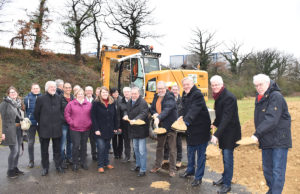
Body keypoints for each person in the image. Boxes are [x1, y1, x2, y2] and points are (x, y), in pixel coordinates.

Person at [251, 74, 292, 194]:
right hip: (266, 139)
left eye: (261, 84)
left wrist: (257, 134)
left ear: (268, 83)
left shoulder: (276, 96)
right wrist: (260, 135)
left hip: (279, 139)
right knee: (267, 170)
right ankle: (272, 191)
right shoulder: (260, 97)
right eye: (256, 85)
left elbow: (271, 119)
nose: (258, 87)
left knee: (277, 171)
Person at [209, 75, 241, 194]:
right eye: (213, 85)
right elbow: (220, 115)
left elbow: (227, 118)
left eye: (217, 84)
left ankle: (227, 184)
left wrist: (216, 134)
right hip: (223, 132)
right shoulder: (218, 97)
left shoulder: (229, 97)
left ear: (222, 84)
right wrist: (215, 123)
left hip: (231, 133)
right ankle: (224, 178)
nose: (214, 87)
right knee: (224, 157)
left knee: (228, 158)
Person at [179, 77, 211, 187]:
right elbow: (183, 108)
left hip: (201, 129)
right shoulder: (185, 93)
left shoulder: (197, 94)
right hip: (191, 130)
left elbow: (194, 110)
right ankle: (190, 170)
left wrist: (185, 122)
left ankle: (198, 178)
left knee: (201, 156)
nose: (186, 86)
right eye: (184, 85)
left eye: (188, 84)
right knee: (190, 152)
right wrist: (180, 117)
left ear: (193, 84)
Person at [34, 81, 64, 176]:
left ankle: (58, 165)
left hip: (57, 127)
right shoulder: (40, 98)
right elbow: (36, 113)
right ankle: (45, 167)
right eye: (51, 87)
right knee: (44, 149)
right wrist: (43, 122)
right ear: (47, 88)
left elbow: (61, 111)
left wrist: (60, 120)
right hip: (45, 128)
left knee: (57, 149)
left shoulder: (59, 98)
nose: (53, 88)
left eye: (54, 87)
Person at [150, 81, 178, 177]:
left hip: (170, 126)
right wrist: (154, 113)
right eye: (159, 88)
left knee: (172, 149)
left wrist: (158, 117)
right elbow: (152, 108)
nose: (160, 90)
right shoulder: (156, 96)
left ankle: (172, 169)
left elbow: (167, 109)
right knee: (159, 146)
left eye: (162, 88)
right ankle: (157, 165)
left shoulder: (170, 97)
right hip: (161, 126)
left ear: (166, 88)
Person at [123, 87, 149, 177]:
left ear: (139, 94)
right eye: (132, 93)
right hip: (133, 129)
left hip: (141, 130)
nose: (133, 95)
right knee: (136, 150)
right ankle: (138, 165)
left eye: (135, 94)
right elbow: (126, 110)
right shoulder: (130, 101)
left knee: (142, 151)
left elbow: (144, 113)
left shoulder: (143, 102)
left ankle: (143, 169)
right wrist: (125, 115)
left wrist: (135, 119)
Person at [64, 88, 92, 171]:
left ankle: (83, 162)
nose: (80, 95)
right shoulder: (71, 104)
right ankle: (75, 163)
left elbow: (92, 115)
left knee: (84, 146)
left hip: (86, 128)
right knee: (75, 146)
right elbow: (66, 114)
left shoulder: (89, 104)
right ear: (76, 95)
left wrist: (89, 123)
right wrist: (72, 123)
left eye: (82, 94)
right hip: (74, 129)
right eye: (79, 94)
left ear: (84, 95)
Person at [0, 86, 25, 178]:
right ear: (8, 94)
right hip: (9, 130)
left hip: (19, 129)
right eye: (11, 92)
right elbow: (1, 119)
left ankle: (15, 168)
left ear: (17, 93)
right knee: (14, 151)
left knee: (18, 151)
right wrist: (2, 132)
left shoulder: (18, 103)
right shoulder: (4, 104)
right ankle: (10, 171)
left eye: (14, 92)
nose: (13, 94)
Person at [91, 86, 117, 173]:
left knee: (106, 147)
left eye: (106, 92)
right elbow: (93, 117)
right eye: (103, 92)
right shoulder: (96, 103)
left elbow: (115, 116)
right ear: (100, 94)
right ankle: (100, 165)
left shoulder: (112, 102)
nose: (105, 94)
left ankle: (106, 163)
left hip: (109, 129)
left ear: (108, 93)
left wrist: (115, 127)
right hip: (99, 130)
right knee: (101, 147)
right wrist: (96, 129)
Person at [163, 84, 183, 168]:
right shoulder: (168, 99)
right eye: (173, 90)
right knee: (167, 141)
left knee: (178, 142)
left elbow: (184, 111)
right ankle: (165, 158)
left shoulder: (182, 100)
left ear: (179, 90)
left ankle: (179, 160)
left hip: (178, 125)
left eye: (176, 89)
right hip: (170, 124)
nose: (174, 91)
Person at [24, 83, 42, 168]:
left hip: (41, 123)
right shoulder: (26, 98)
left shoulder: (43, 97)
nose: (36, 90)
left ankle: (44, 159)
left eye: (37, 88)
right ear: (31, 89)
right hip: (31, 124)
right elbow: (25, 110)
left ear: (39, 89)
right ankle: (31, 160)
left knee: (43, 142)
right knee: (31, 142)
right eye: (34, 88)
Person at [60, 82, 74, 168]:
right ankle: (62, 160)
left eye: (69, 87)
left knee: (70, 142)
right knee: (62, 143)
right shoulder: (59, 98)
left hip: (72, 124)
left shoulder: (73, 97)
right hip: (63, 124)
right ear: (63, 89)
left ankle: (69, 157)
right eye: (66, 87)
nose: (68, 89)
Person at [119, 87, 132, 163]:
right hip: (124, 125)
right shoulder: (121, 102)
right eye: (125, 92)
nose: (126, 93)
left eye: (128, 92)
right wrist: (119, 126)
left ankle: (136, 157)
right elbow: (119, 114)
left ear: (130, 92)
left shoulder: (134, 101)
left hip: (134, 124)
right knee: (126, 141)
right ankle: (127, 156)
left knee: (135, 142)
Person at [85, 86, 97, 161]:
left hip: (93, 124)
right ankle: (83, 154)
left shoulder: (96, 100)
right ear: (85, 92)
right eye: (87, 91)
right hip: (84, 124)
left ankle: (94, 155)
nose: (89, 92)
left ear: (92, 92)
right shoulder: (82, 99)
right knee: (84, 140)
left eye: (90, 91)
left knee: (93, 141)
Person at [110, 88, 123, 159]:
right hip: (112, 123)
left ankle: (120, 153)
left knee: (120, 139)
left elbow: (122, 113)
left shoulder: (121, 100)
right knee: (114, 139)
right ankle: (116, 153)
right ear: (111, 94)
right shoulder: (109, 100)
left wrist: (120, 126)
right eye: (114, 93)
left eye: (117, 92)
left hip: (120, 123)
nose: (116, 94)